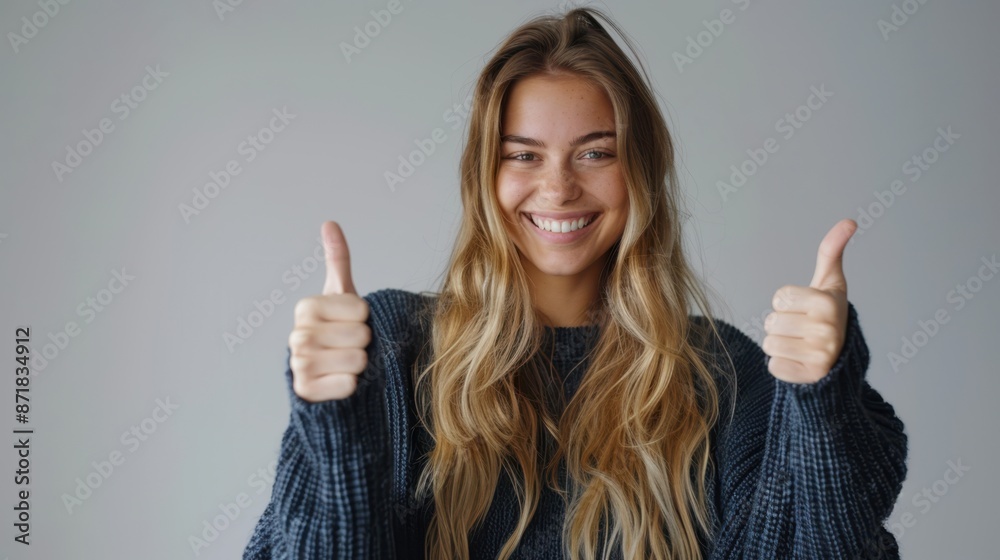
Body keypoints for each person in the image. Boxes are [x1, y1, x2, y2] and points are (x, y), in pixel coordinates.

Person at [242, 7, 908, 559]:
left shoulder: (725, 375)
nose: (558, 187)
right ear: (483, 177)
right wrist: (334, 430)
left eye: (595, 152)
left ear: (639, 173)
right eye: (523, 155)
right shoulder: (390, 351)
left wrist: (822, 404)